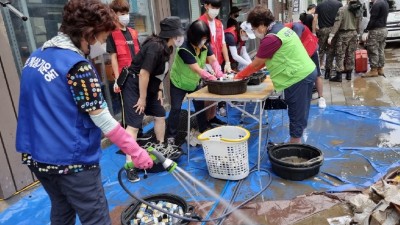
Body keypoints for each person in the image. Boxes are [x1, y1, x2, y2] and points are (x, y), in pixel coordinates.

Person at [15, 0, 153, 224]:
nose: (103, 43)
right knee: (95, 216)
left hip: (36, 156)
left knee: (62, 209)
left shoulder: (36, 57)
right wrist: (136, 151)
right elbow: (104, 121)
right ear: (89, 32)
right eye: (103, 37)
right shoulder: (78, 67)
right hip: (71, 162)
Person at [235, 5, 317, 144]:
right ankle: (296, 141)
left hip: (297, 77)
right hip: (307, 72)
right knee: (301, 111)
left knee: (296, 113)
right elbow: (262, 62)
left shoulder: (271, 38)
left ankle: (294, 148)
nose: (255, 32)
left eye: (254, 29)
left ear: (261, 25)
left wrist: (238, 76)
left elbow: (256, 64)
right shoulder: (282, 29)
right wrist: (243, 74)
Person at [123, 16, 184, 152]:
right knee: (134, 124)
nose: (180, 37)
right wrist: (142, 99)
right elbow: (144, 73)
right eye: (178, 34)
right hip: (134, 85)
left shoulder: (167, 48)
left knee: (160, 114)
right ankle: (129, 164)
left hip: (150, 86)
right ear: (172, 35)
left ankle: (161, 146)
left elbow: (159, 73)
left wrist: (159, 91)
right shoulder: (155, 47)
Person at [166, 20, 223, 146]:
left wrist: (218, 71)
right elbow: (197, 69)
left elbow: (213, 59)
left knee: (199, 106)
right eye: (202, 39)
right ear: (194, 37)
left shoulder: (204, 45)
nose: (204, 41)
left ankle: (203, 129)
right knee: (175, 109)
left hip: (193, 82)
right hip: (179, 82)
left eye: (205, 38)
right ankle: (171, 136)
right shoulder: (183, 48)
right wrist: (211, 77)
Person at [106, 0, 143, 182]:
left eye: (125, 12)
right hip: (125, 80)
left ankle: (134, 146)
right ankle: (129, 164)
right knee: (132, 122)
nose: (124, 16)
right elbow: (113, 58)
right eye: (120, 12)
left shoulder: (133, 33)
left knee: (136, 119)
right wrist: (116, 79)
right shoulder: (112, 35)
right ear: (114, 13)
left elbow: (140, 55)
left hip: (139, 79)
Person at [199, 0, 230, 126]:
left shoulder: (218, 24)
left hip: (217, 62)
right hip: (205, 62)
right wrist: (204, 65)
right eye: (213, 7)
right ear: (206, 6)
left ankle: (212, 117)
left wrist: (227, 61)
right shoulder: (200, 23)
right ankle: (205, 120)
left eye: (218, 7)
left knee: (215, 93)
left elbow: (223, 43)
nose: (215, 10)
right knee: (207, 93)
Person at [285, 22, 326, 108]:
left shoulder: (296, 26)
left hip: (312, 50)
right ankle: (300, 96)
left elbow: (295, 42)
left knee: (317, 75)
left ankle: (321, 98)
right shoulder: (285, 31)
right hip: (301, 53)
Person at [328, 0, 363, 82]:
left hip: (343, 34)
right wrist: (358, 35)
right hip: (354, 34)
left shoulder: (342, 9)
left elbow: (337, 23)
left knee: (340, 54)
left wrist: (331, 35)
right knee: (351, 54)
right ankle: (349, 75)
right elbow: (359, 23)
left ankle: (339, 76)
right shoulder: (358, 9)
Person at [313, 0, 343, 79]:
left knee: (321, 50)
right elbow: (341, 18)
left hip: (323, 30)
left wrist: (313, 32)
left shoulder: (320, 5)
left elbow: (315, 19)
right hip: (334, 30)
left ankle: (316, 71)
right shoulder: (339, 4)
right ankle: (327, 72)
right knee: (331, 51)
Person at [361, 0, 389, 77]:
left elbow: (372, 19)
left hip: (376, 30)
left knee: (372, 50)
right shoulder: (385, 3)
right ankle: (380, 68)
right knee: (381, 49)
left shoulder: (376, 4)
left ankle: (374, 70)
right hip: (384, 29)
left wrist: (366, 30)